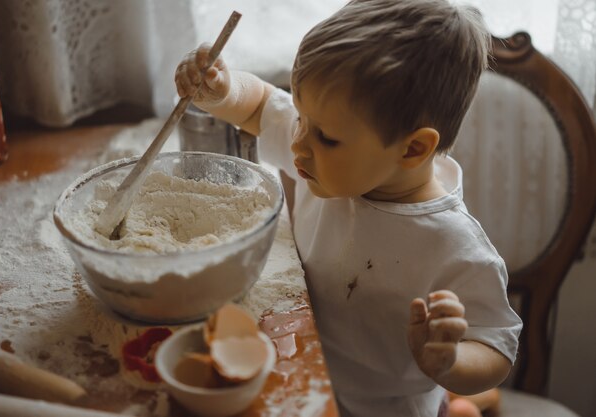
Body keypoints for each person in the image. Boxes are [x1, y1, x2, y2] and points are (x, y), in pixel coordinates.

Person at [175, 1, 522, 416]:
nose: (299, 143)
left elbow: (496, 346)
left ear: (412, 149)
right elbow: (261, 106)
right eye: (301, 119)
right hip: (307, 373)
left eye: (325, 137)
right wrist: (223, 91)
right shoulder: (332, 153)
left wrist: (449, 362)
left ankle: (460, 404)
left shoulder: (455, 246)